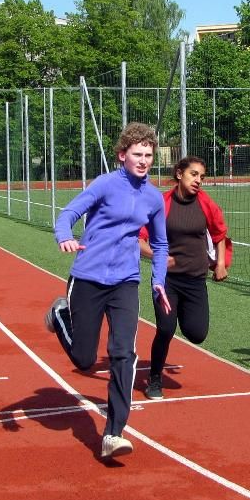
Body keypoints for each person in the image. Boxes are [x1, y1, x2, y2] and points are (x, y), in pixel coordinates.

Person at [43, 122, 171, 459]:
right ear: (122, 155)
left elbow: (159, 244)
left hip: (126, 281)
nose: (143, 161)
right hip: (88, 277)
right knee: (85, 359)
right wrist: (65, 237)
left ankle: (113, 432)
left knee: (123, 353)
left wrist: (158, 280)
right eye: (137, 154)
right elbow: (68, 213)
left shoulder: (154, 197)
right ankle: (59, 315)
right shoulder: (105, 184)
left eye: (148, 155)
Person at [137, 155, 231, 400]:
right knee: (166, 329)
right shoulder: (162, 203)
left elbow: (220, 234)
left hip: (195, 280)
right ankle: (155, 378)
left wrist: (220, 264)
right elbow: (139, 240)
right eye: (194, 174)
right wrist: (156, 256)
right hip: (167, 280)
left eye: (202, 176)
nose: (198, 180)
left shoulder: (205, 204)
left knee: (197, 334)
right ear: (179, 174)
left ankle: (183, 317)